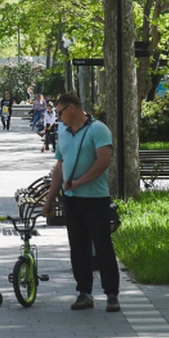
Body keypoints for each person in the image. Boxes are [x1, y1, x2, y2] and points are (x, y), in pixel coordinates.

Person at [41, 92, 120, 313]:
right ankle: (84, 292)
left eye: (60, 112)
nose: (58, 117)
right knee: (78, 247)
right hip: (72, 200)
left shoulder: (98, 129)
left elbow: (103, 162)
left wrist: (79, 182)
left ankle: (112, 294)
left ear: (72, 108)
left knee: (102, 245)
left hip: (95, 199)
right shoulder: (63, 133)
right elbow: (59, 168)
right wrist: (49, 201)